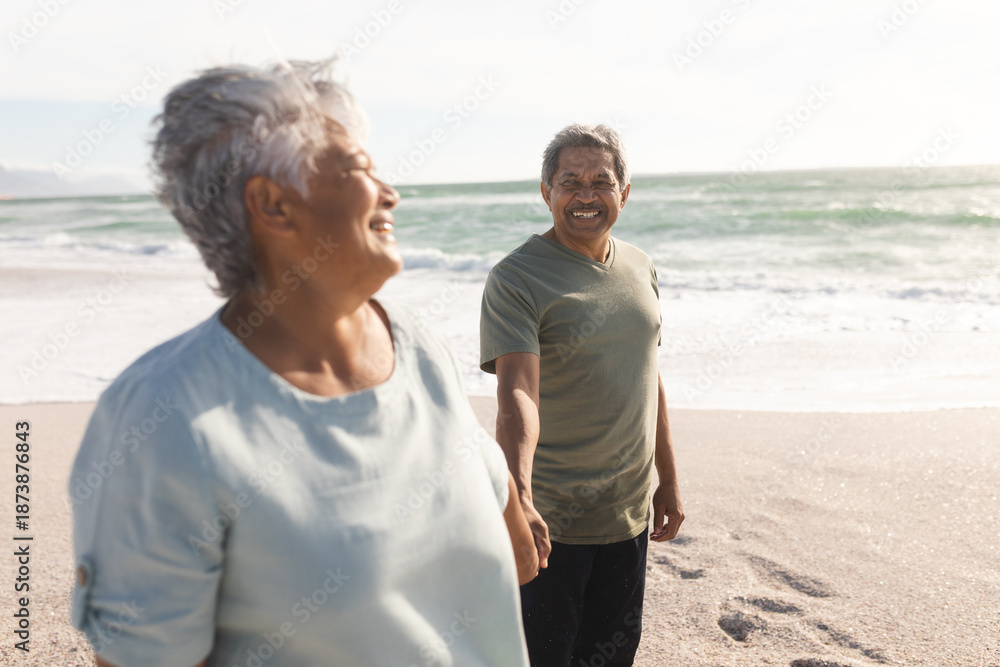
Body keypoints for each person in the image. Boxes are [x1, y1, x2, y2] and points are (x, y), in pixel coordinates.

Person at [68, 58, 536, 667]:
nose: (391, 193)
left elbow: (517, 552)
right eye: (360, 169)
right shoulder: (163, 417)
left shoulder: (419, 346)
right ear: (273, 206)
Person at [479, 123, 684, 666]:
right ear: (546, 192)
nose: (586, 195)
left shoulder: (640, 265)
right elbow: (517, 395)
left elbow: (648, 375)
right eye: (570, 181)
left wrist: (668, 479)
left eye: (601, 181)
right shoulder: (516, 278)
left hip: (627, 513)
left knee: (613, 655)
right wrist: (520, 498)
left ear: (625, 192)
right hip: (553, 520)